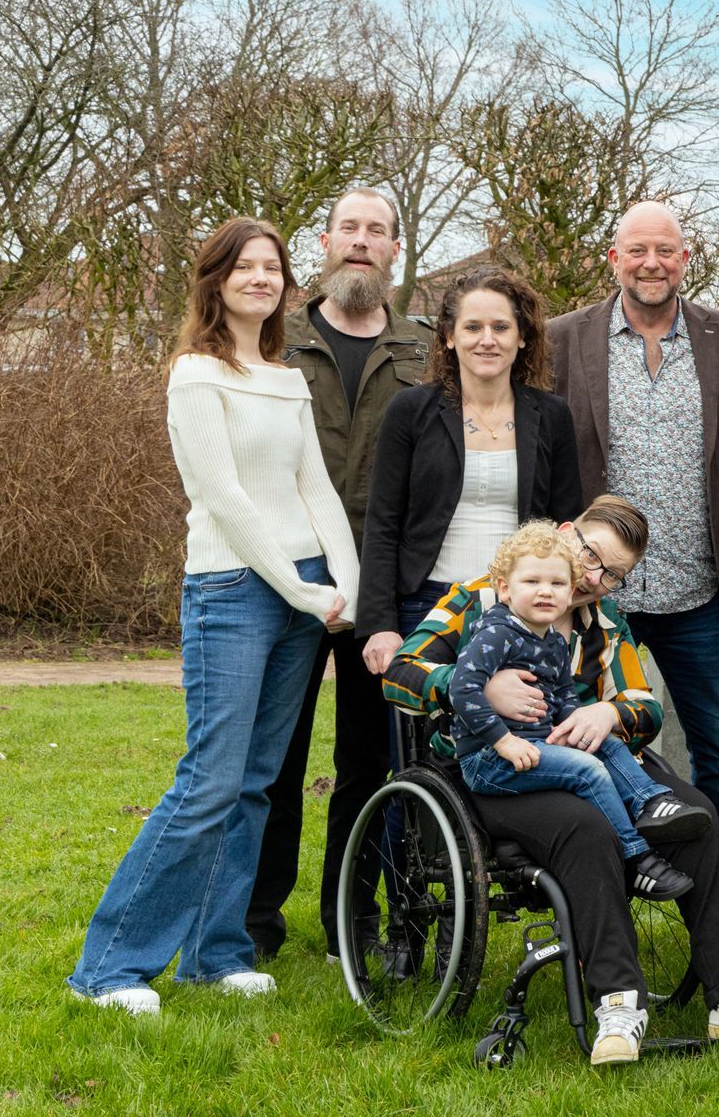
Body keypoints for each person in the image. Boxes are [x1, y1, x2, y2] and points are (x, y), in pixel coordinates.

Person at [384, 495, 719, 1066]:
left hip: (597, 756)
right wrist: (476, 687)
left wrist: (608, 713)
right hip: (500, 765)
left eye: (613, 574)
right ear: (567, 533)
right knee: (584, 829)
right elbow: (400, 671)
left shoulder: (606, 623)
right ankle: (619, 997)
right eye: (589, 556)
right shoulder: (484, 596)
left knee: (698, 818)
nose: (593, 577)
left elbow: (644, 703)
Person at [69, 218, 357, 1015]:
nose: (261, 280)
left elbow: (315, 488)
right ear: (217, 281)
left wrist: (346, 582)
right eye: (246, 268)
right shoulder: (196, 374)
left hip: (304, 587)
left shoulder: (287, 374)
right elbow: (224, 498)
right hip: (233, 587)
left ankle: (215, 952)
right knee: (209, 782)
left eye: (272, 268)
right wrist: (301, 591)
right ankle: (110, 967)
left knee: (258, 785)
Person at [549, 200, 719, 890]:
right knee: (588, 744)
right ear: (613, 259)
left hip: (696, 591)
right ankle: (610, 884)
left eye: (665, 251)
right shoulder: (564, 340)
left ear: (684, 259)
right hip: (593, 595)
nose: (651, 263)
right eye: (636, 250)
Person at [251, 187, 431, 962]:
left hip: (381, 584)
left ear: (395, 250)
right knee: (274, 758)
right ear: (324, 242)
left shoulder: (428, 349)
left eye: (378, 231)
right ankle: (253, 920)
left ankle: (348, 923)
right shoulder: (271, 340)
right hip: (282, 577)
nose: (362, 242)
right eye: (350, 228)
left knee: (366, 760)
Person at [451, 523, 710, 902]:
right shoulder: (497, 632)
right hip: (489, 758)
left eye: (557, 584)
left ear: (570, 591)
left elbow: (564, 697)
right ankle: (636, 858)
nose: (545, 591)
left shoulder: (555, 641)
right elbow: (462, 690)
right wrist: (503, 741)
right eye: (532, 582)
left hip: (536, 743)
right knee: (588, 770)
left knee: (603, 743)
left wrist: (576, 728)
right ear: (505, 588)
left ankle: (651, 800)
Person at [357, 266, 583, 674]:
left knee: (518, 730)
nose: (487, 340)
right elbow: (383, 522)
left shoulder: (552, 415)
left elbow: (566, 526)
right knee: (422, 736)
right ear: (449, 336)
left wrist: (562, 615)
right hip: (425, 608)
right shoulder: (410, 411)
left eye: (501, 326)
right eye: (472, 326)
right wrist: (380, 624)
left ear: (523, 336)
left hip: (519, 609)